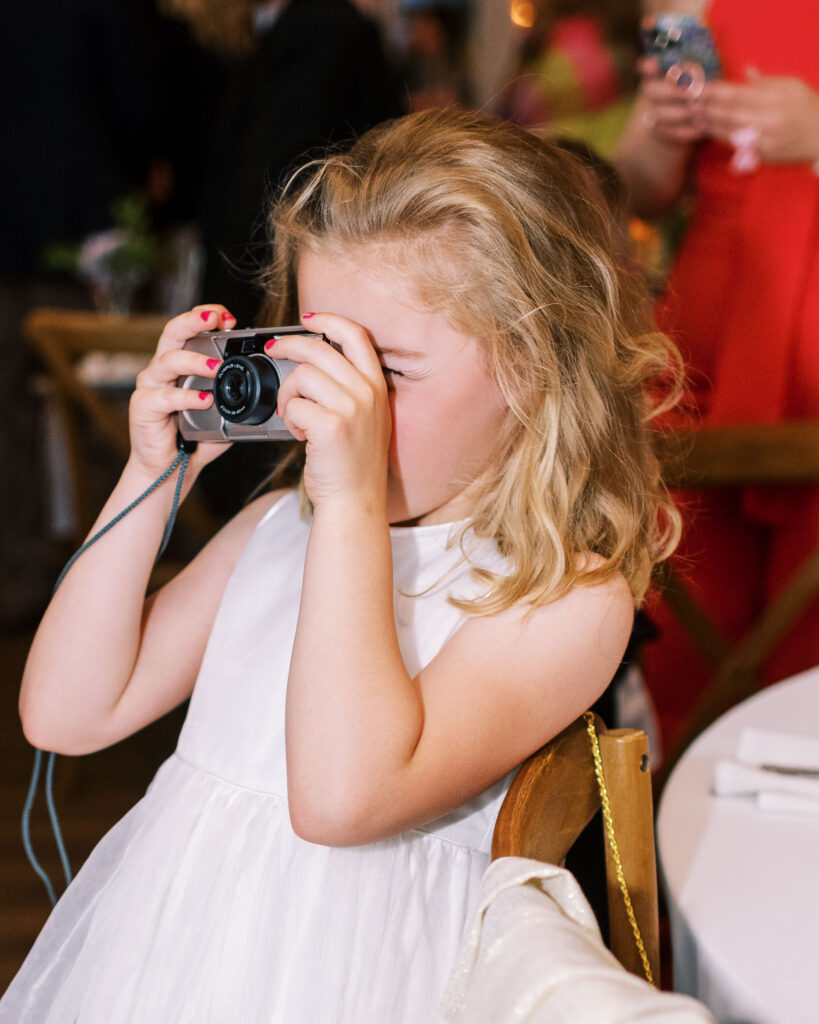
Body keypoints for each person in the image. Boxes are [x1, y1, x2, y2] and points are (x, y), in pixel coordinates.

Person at [2, 108, 681, 1023]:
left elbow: (341, 796)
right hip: (176, 952)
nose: (341, 407)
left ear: (530, 364)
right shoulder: (279, 527)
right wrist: (149, 478)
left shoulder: (561, 594)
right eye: (323, 356)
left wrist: (353, 506)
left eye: (386, 372)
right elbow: (66, 714)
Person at [615, 0, 819, 747]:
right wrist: (660, 128)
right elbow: (644, 185)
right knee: (683, 597)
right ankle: (671, 820)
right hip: (704, 337)